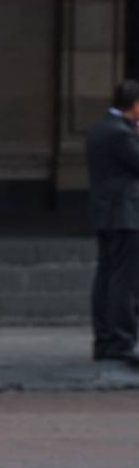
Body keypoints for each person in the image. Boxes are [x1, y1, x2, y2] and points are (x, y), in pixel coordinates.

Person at [86, 79, 139, 367]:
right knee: (123, 281)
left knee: (107, 278)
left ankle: (106, 339)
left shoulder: (100, 129)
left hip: (108, 215)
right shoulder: (121, 134)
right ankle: (120, 340)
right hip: (125, 216)